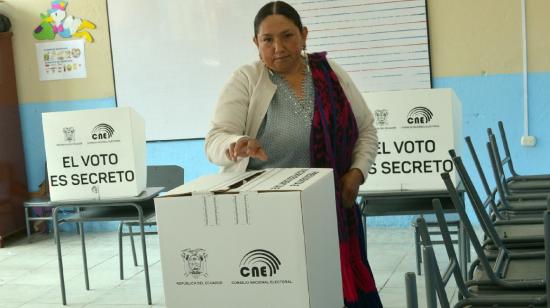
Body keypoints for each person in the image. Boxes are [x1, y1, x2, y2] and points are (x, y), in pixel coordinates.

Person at [205, 1, 381, 307]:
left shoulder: (330, 73)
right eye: (267, 40)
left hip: (330, 210)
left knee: (333, 292)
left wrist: (357, 172)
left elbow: (366, 129)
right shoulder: (246, 79)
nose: (279, 47)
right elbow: (215, 139)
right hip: (266, 216)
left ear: (303, 35)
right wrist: (236, 143)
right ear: (255, 43)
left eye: (287, 36)